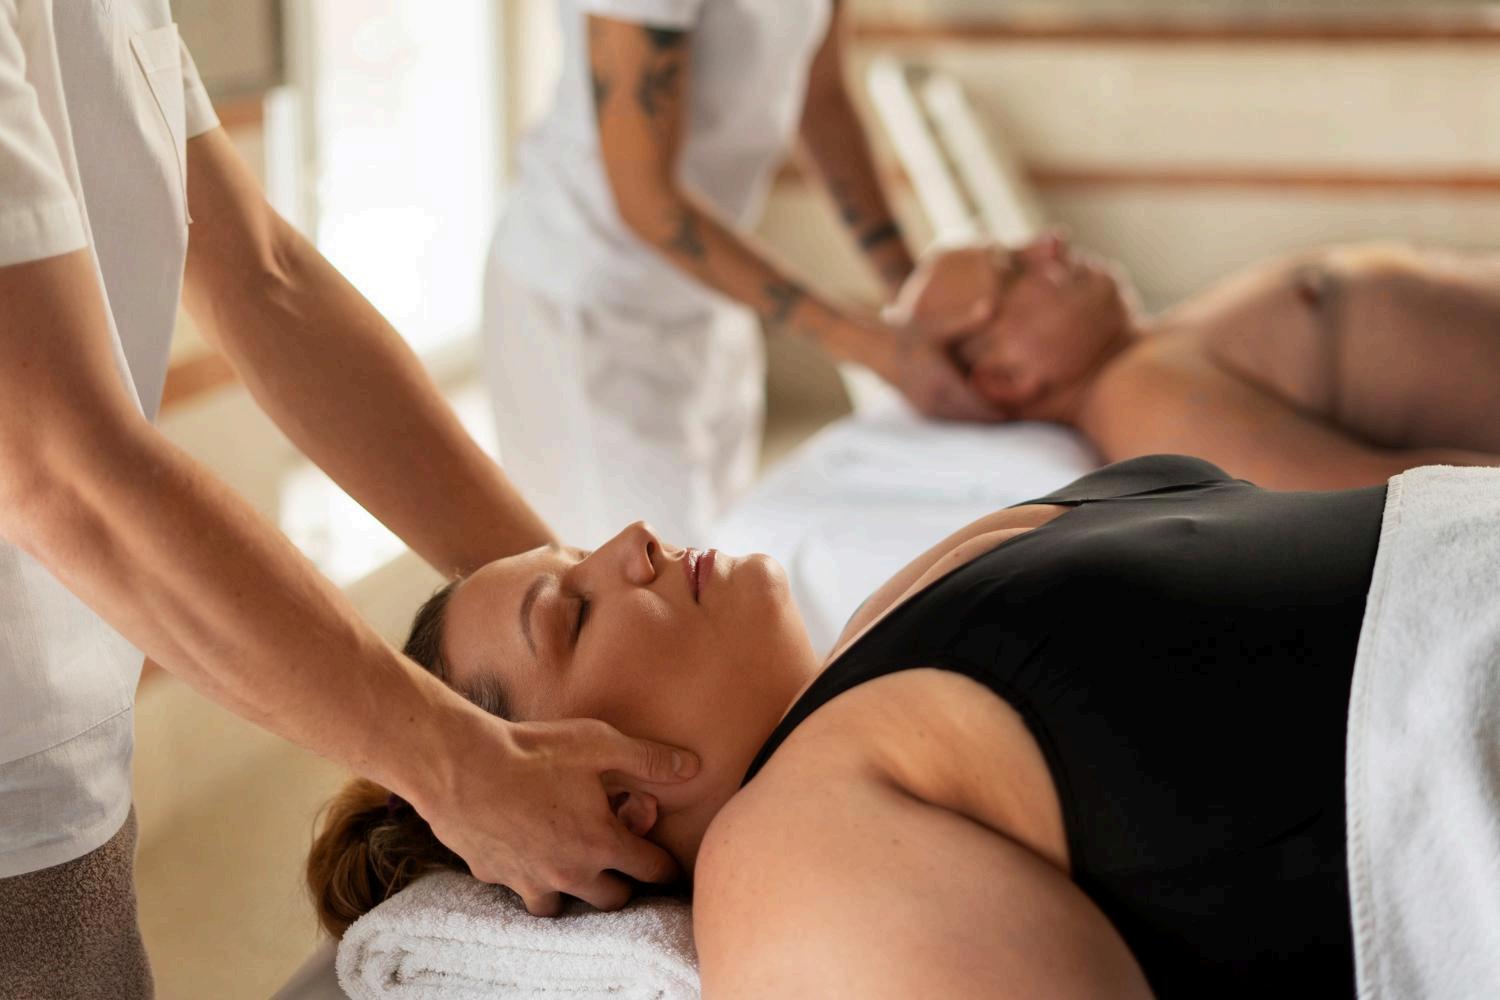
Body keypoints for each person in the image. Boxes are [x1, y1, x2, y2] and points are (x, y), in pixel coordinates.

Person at [0, 4, 698, 994]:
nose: (636, 545)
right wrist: (460, 765)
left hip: (64, 755)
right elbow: (54, 464)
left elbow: (267, 278)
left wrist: (573, 587)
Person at [309, 452, 1393, 996]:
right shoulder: (785, 867)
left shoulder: (902, 614)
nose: (631, 541)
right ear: (608, 801)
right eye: (573, 612)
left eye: (577, 553)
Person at [484, 0, 1000, 548]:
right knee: (653, 579)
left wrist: (910, 294)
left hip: (710, 293)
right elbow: (644, 198)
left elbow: (821, 95)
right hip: (588, 304)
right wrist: (867, 346)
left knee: (721, 552)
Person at [895, 234, 1500, 490]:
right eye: (1013, 269)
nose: (1048, 242)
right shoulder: (1142, 399)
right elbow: (1365, 493)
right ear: (1007, 377)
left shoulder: (1151, 353)